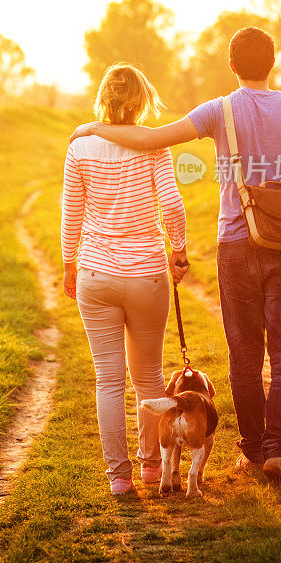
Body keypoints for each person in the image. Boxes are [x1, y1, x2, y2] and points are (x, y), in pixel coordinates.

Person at [70, 27, 281, 486]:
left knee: (245, 352)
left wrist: (96, 128)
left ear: (232, 66)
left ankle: (253, 448)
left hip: (238, 243)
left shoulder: (221, 110)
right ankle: (279, 449)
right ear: (272, 63)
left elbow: (153, 139)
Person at [62, 63, 188, 495]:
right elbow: (172, 205)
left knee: (108, 379)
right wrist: (180, 250)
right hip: (147, 274)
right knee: (149, 377)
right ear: (139, 101)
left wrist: (68, 265)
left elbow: (71, 215)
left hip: (95, 274)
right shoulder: (154, 147)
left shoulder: (81, 146)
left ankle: (119, 478)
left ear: (105, 98)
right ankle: (152, 467)